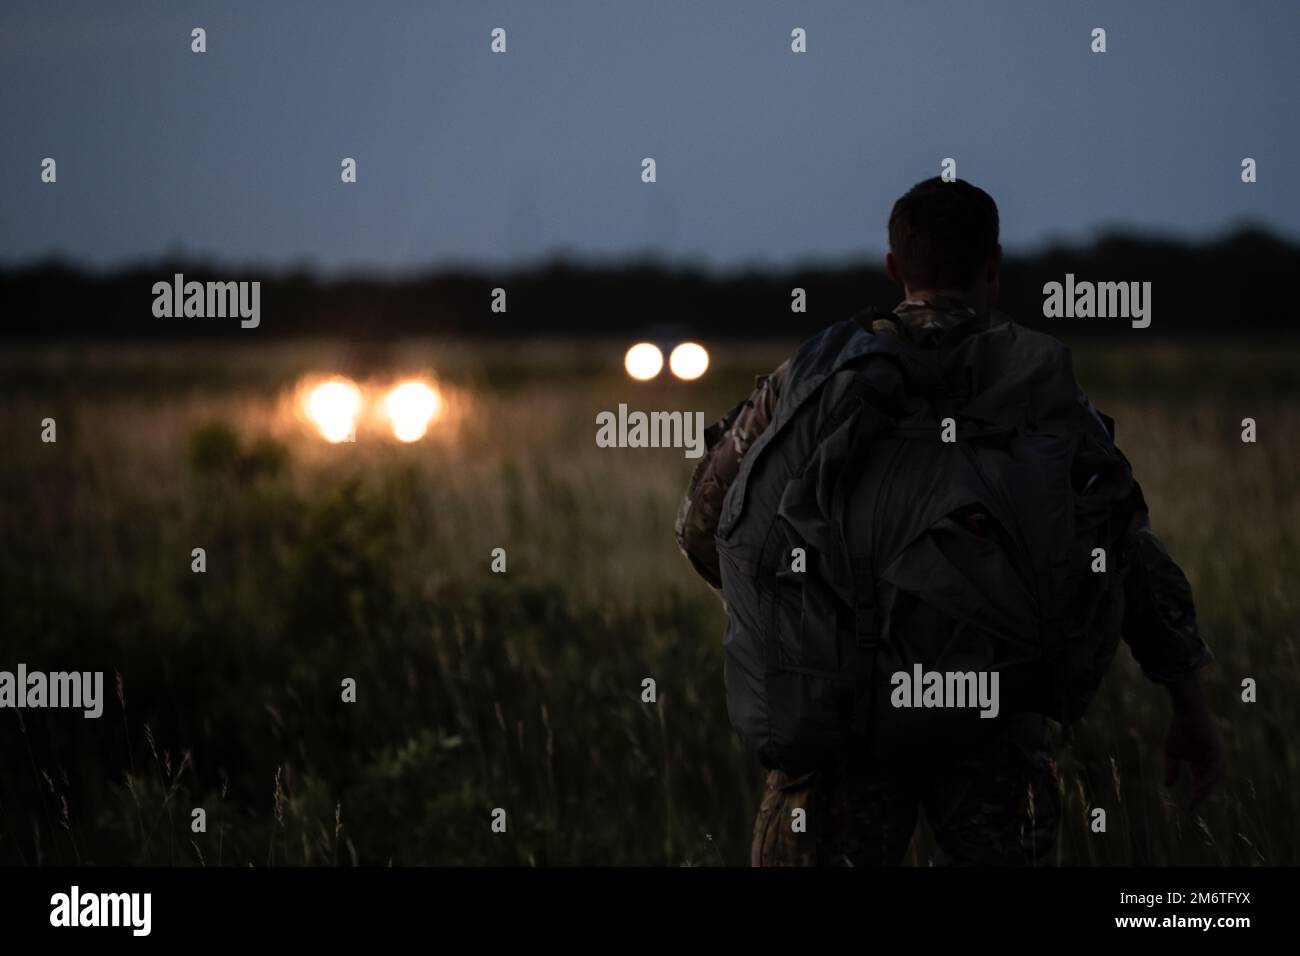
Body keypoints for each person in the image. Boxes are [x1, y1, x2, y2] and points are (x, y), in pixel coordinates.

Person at [674, 177, 1219, 866]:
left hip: (842, 722)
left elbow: (704, 526)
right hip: (993, 724)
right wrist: (1188, 702)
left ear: (894, 268)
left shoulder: (813, 378)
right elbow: (1126, 549)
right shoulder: (1041, 387)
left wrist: (802, 617)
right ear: (993, 265)